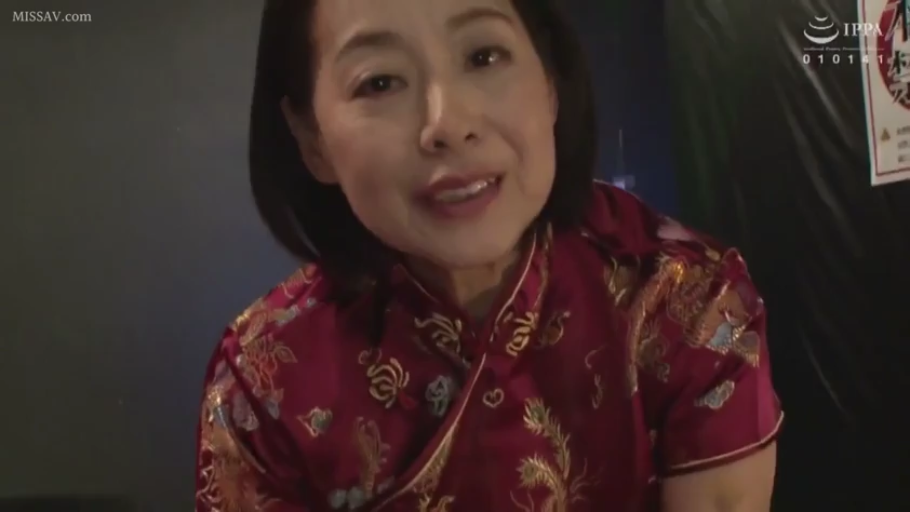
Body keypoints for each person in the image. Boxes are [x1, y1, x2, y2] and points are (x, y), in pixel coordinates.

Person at [193, 0, 782, 510]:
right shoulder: (265, 379)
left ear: (549, 80)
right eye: (380, 83)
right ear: (311, 139)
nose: (448, 124)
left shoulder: (683, 300)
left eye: (483, 56)